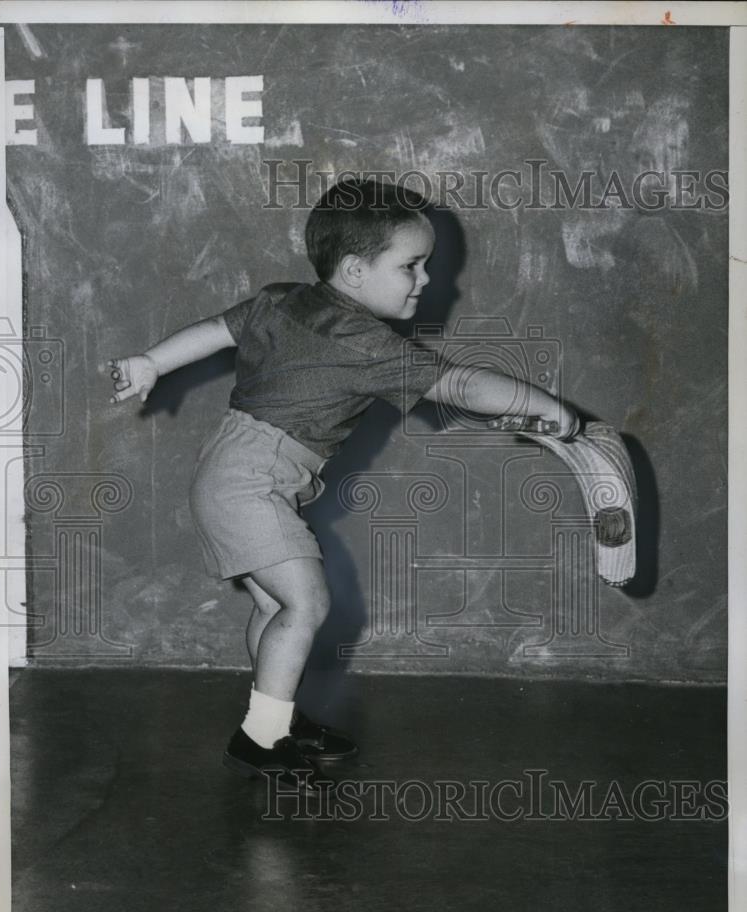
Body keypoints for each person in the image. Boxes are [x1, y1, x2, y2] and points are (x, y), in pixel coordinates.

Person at [107, 179, 579, 798]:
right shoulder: (365, 343)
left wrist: (152, 361)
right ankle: (257, 740)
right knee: (306, 604)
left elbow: (217, 330)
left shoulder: (283, 301)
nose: (426, 279)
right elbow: (460, 387)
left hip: (231, 468)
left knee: (278, 607)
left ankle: (275, 716)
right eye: (410, 265)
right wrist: (549, 407)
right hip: (250, 479)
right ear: (355, 271)